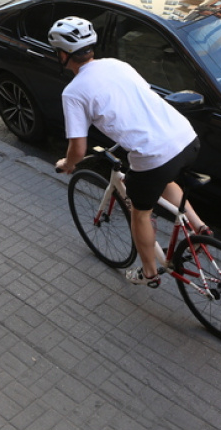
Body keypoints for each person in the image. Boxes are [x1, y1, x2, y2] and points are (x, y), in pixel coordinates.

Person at [50, 17, 210, 288]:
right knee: (164, 179)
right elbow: (138, 97)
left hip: (153, 155)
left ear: (64, 54)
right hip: (185, 137)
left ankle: (149, 273)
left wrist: (68, 164)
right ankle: (199, 226)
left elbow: (78, 148)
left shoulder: (73, 92)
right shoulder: (116, 64)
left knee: (140, 214)